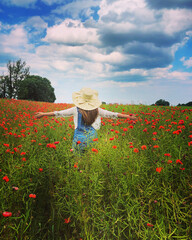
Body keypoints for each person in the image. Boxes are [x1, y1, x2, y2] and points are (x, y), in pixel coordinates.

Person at [35, 87, 137, 153]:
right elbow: (113, 115)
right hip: (92, 137)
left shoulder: (75, 109)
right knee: (90, 157)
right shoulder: (97, 110)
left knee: (78, 159)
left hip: (79, 138)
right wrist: (129, 116)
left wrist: (43, 114)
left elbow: (58, 113)